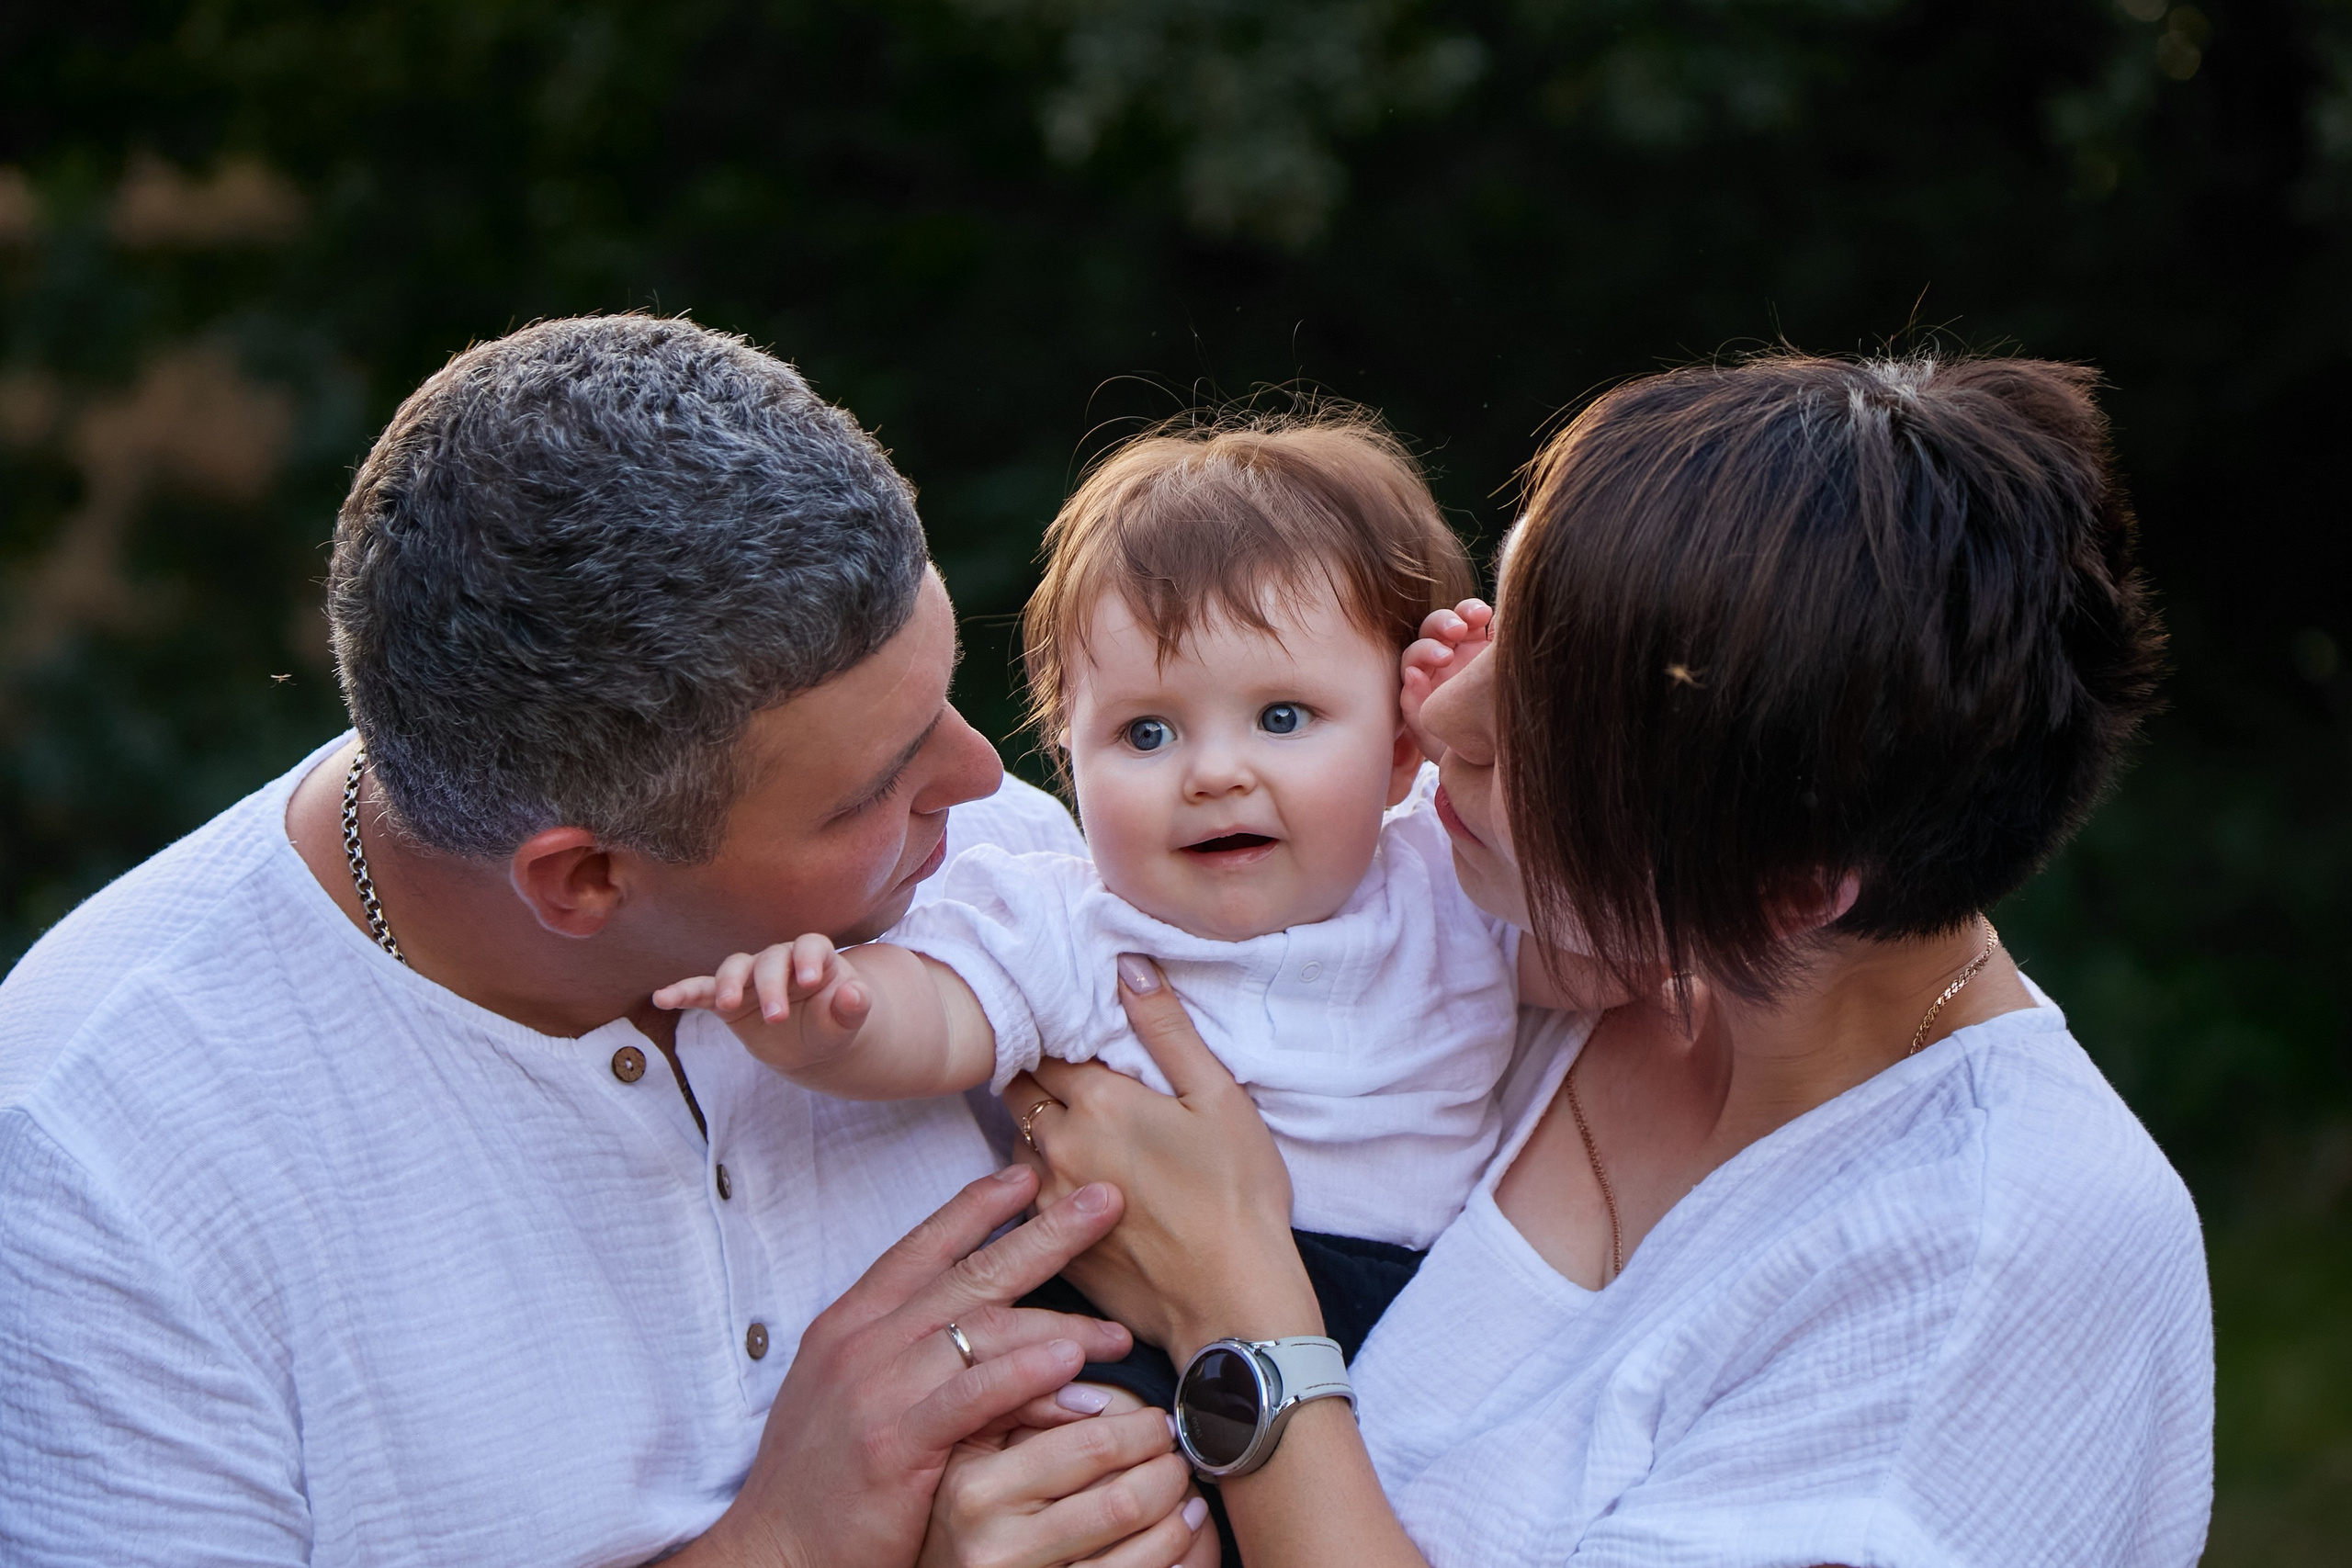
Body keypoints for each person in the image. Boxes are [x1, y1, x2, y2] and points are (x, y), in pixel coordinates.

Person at [953, 353, 2214, 1565]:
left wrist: (1236, 1318)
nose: (1436, 718)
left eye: (1530, 740)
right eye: (1510, 618)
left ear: (1780, 885)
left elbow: (1239, 1317)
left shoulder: (1994, 1273)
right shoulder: (1528, 941)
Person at [0, 314, 1210, 1568]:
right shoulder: (99, 1164)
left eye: (943, 697)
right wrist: (788, 1544)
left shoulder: (991, 874)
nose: (986, 783)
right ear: (582, 877)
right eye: (869, 792)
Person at [659, 419, 1597, 1410]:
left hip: (1419, 1317)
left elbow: (1617, 948)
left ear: (1404, 748)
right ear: (1068, 761)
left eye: (1282, 718)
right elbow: (935, 1013)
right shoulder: (1076, 920)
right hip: (1134, 1328)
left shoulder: (1448, 881)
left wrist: (1511, 739)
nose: (1215, 773)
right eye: (1145, 732)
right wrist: (826, 1018)